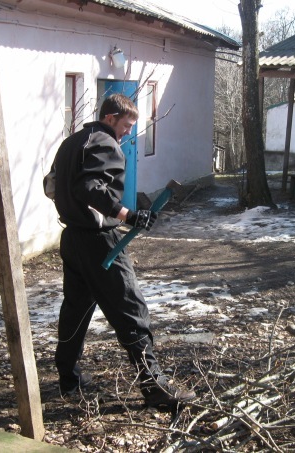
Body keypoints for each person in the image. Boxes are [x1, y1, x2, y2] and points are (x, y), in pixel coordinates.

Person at [51, 93, 196, 408]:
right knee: (131, 310)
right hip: (98, 243)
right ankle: (155, 387)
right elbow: (89, 188)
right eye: (126, 125)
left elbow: (52, 185)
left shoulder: (71, 143)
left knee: (76, 308)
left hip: (72, 239)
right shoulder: (104, 143)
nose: (128, 132)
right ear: (110, 118)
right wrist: (128, 216)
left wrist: (78, 210)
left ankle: (68, 377)